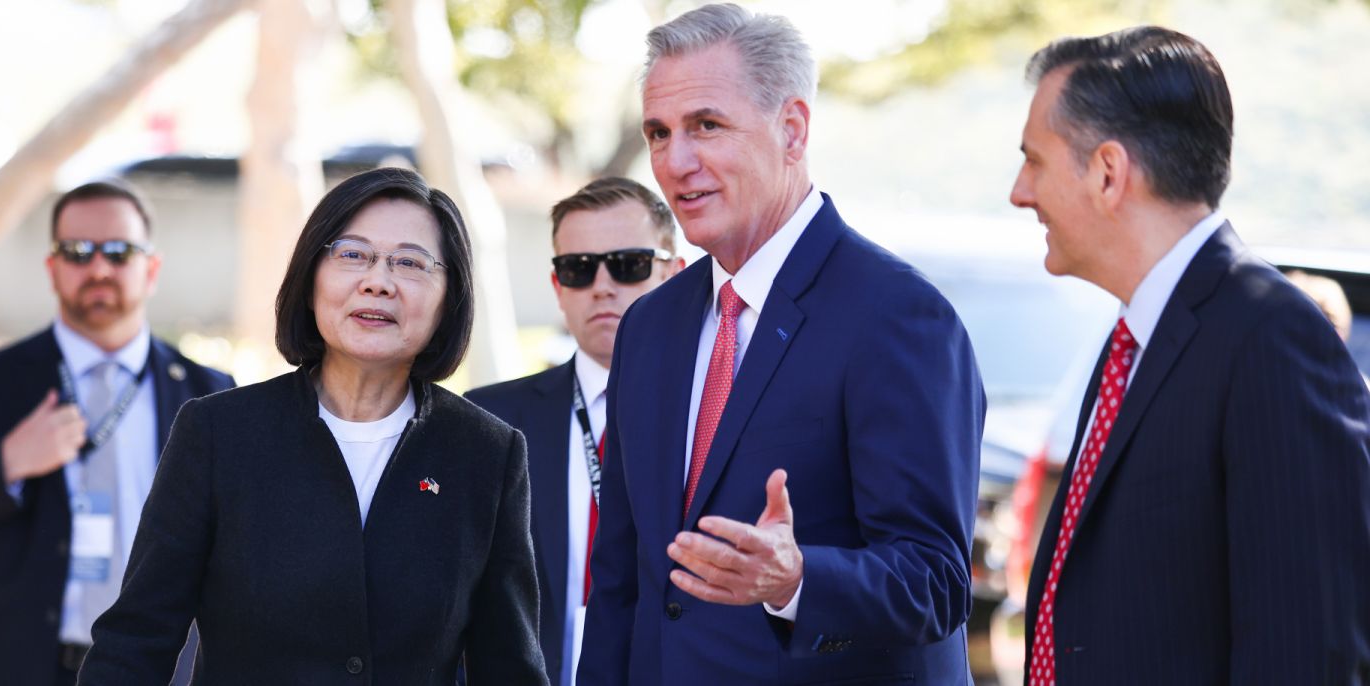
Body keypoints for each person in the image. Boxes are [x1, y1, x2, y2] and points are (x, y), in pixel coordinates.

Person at [576, 4, 985, 684]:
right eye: (658, 132)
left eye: (706, 125)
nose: (675, 162)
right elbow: (622, 581)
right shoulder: (647, 328)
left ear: (792, 129)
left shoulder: (900, 315)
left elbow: (936, 582)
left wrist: (795, 578)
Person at [78, 167, 549, 684]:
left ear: (448, 300)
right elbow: (136, 640)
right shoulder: (219, 434)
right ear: (310, 280)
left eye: (410, 263)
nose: (378, 281)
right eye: (352, 254)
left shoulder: (485, 453)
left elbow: (510, 666)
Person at [1010, 26, 1370, 684]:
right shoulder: (1134, 337)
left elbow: (1305, 651)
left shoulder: (1271, 340)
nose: (1019, 191)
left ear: (1108, 173)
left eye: (1034, 160)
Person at [0, 180, 234, 686]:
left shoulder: (210, 395)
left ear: (151, 269)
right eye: (77, 252)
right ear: (52, 269)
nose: (98, 269)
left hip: (158, 671)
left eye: (119, 252)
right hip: (7, 668)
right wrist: (4, 465)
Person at [466, 177, 684, 685]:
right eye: (579, 269)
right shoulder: (486, 421)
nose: (602, 285)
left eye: (629, 265)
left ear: (675, 273)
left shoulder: (723, 412)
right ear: (557, 287)